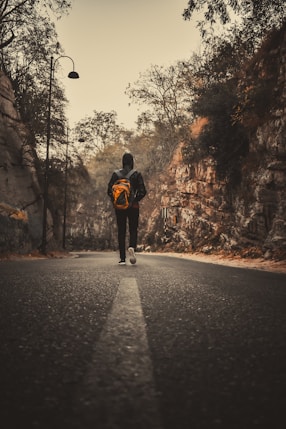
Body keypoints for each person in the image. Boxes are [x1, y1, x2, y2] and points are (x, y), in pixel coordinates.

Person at [107, 153, 146, 265]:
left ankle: (122, 259)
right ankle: (132, 247)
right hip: (133, 207)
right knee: (133, 229)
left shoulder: (116, 175)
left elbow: (109, 191)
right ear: (132, 162)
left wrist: (116, 201)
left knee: (121, 231)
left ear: (122, 162)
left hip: (119, 207)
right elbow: (143, 191)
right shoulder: (136, 174)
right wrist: (134, 200)